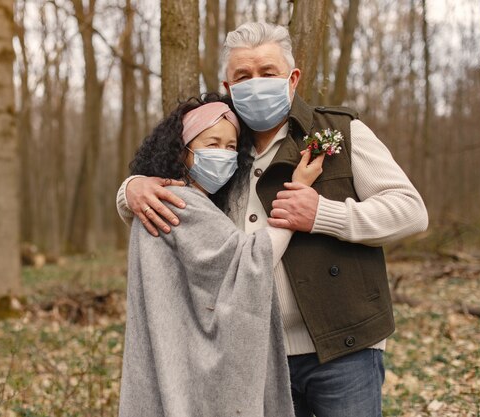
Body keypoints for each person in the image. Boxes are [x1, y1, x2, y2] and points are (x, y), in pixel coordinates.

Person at [116, 23, 429, 417]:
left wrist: (324, 215)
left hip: (342, 349)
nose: (256, 83)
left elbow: (411, 210)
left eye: (268, 72)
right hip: (253, 355)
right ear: (229, 87)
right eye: (243, 76)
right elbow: (183, 208)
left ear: (292, 78)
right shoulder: (224, 146)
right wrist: (131, 188)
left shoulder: (340, 132)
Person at [119, 94, 325, 417]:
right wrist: (295, 194)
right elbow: (250, 259)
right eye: (212, 143)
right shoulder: (179, 203)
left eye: (231, 147)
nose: (223, 155)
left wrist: (130, 187)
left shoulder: (163, 198)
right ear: (183, 150)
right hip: (184, 365)